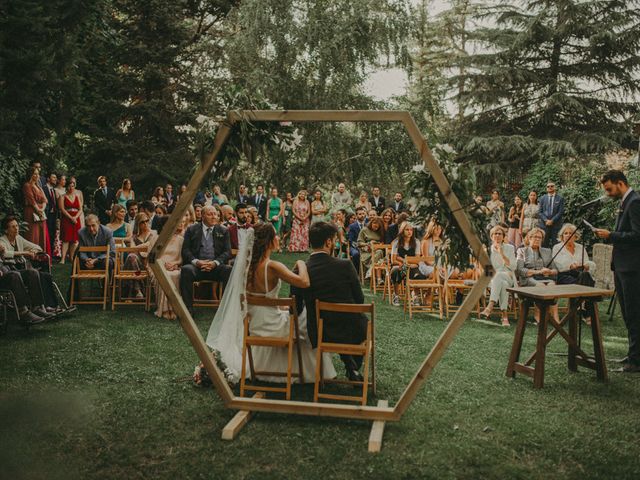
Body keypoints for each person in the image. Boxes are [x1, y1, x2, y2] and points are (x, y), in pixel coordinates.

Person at [291, 221, 367, 382]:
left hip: (319, 332)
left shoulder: (301, 269)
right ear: (328, 242)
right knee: (358, 323)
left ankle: (350, 367)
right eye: (334, 240)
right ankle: (352, 368)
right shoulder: (345, 265)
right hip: (352, 330)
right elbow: (360, 299)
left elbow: (295, 307)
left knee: (332, 320)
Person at [594, 169, 640, 372]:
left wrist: (611, 235)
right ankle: (633, 355)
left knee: (634, 313)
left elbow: (637, 235)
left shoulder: (635, 202)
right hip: (622, 266)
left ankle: (636, 361)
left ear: (620, 183)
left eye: (610, 189)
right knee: (628, 314)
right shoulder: (625, 202)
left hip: (632, 267)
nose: (608, 193)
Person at [0, 216, 60, 317]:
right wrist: (25, 253)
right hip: (8, 272)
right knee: (17, 275)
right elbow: (5, 254)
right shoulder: (2, 241)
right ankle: (24, 311)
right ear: (6, 230)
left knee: (35, 272)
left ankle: (38, 307)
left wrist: (33, 251)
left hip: (18, 270)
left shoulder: (18, 238)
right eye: (13, 227)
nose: (16, 229)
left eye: (17, 226)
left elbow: (37, 247)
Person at [179, 205, 232, 313]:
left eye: (215, 214)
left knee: (228, 270)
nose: (214, 217)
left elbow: (227, 252)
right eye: (210, 214)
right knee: (186, 270)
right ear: (202, 216)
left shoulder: (223, 230)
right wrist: (197, 262)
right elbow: (186, 250)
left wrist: (215, 262)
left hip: (216, 267)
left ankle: (224, 309)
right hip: (197, 267)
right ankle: (188, 309)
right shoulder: (191, 229)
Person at [516, 228, 560, 324]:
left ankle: (555, 316)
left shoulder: (547, 251)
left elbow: (555, 270)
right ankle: (538, 314)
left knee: (552, 286)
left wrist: (549, 271)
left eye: (539, 237)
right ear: (529, 238)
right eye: (534, 237)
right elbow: (520, 270)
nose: (537, 239)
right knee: (541, 287)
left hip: (546, 278)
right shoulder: (522, 251)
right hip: (529, 279)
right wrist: (539, 272)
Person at [480, 226, 516, 326]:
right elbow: (487, 271)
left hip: (509, 276)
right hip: (493, 279)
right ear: (491, 236)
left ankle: (489, 307)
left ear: (503, 236)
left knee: (501, 277)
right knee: (502, 283)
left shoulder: (510, 248)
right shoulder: (487, 250)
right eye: (495, 234)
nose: (497, 235)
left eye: (500, 233)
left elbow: (513, 266)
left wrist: (502, 253)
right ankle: (504, 316)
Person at [152, 216, 184, 320]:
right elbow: (151, 258)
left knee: (174, 274)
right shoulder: (156, 238)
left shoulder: (180, 239)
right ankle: (164, 309)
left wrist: (175, 264)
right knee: (165, 275)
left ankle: (174, 309)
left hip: (174, 268)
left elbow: (182, 258)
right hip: (159, 267)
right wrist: (163, 265)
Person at [389, 222, 424, 306]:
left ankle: (415, 296)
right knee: (395, 271)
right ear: (402, 231)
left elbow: (417, 260)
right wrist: (406, 262)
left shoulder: (416, 242)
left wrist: (402, 259)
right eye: (407, 230)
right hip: (400, 266)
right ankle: (396, 295)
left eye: (411, 230)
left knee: (417, 275)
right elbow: (393, 260)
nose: (409, 232)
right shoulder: (396, 242)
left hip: (412, 266)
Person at [22, 166, 50, 255]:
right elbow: (32, 200)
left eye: (38, 174)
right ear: (31, 175)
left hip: (41, 213)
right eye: (35, 174)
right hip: (31, 213)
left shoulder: (38, 186)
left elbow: (45, 200)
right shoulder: (27, 186)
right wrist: (39, 210)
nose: (38, 175)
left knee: (41, 235)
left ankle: (41, 258)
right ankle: (32, 257)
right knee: (33, 235)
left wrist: (42, 210)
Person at [58, 176, 83, 264]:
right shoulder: (62, 196)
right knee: (66, 239)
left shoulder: (77, 196)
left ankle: (71, 257)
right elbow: (62, 209)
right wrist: (71, 217)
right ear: (66, 187)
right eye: (69, 186)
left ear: (74, 186)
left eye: (72, 186)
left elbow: (80, 209)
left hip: (76, 219)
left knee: (75, 240)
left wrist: (75, 217)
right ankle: (63, 258)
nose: (71, 188)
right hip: (66, 219)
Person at [538, 181, 564, 248]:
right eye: (548, 186)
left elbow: (560, 212)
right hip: (544, 225)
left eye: (552, 186)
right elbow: (540, 212)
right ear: (546, 188)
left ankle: (556, 258)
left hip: (556, 225)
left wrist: (552, 220)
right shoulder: (542, 198)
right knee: (544, 244)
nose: (550, 187)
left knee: (556, 244)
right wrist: (546, 220)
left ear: (555, 187)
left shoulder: (560, 198)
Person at [347, 207, 367, 272]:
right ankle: (356, 273)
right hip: (354, 247)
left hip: (366, 246)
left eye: (363, 213)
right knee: (356, 254)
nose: (362, 215)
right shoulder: (352, 226)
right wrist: (359, 247)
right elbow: (351, 240)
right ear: (356, 215)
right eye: (360, 214)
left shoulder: (368, 225)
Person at [43, 172, 58, 256]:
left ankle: (51, 253)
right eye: (53, 177)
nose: (55, 179)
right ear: (48, 179)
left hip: (53, 215)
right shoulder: (44, 188)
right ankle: (46, 252)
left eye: (56, 178)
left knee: (53, 233)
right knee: (47, 233)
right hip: (47, 215)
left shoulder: (53, 190)